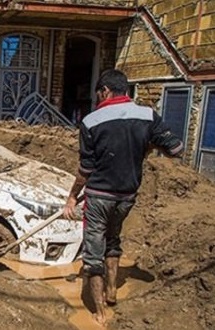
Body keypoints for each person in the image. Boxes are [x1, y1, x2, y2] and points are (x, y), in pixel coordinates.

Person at [62, 69, 184, 326]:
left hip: (98, 198)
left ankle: (99, 313)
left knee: (93, 252)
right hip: (126, 197)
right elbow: (176, 148)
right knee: (113, 239)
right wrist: (147, 146)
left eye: (98, 94)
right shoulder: (147, 116)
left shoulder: (91, 121)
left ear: (105, 91)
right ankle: (113, 291)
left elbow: (85, 170)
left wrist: (72, 197)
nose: (97, 99)